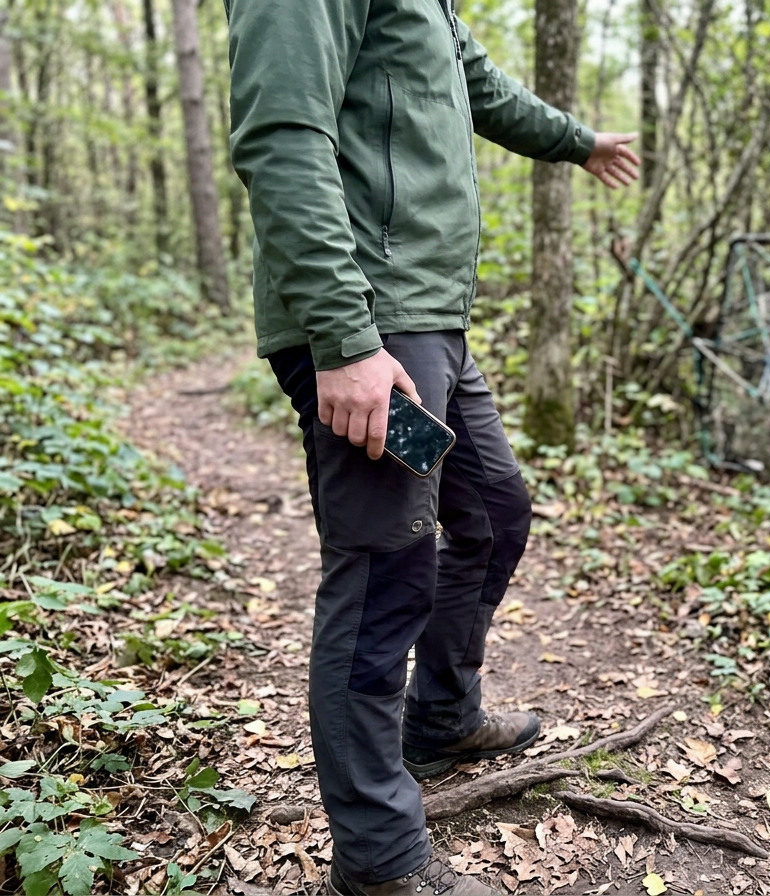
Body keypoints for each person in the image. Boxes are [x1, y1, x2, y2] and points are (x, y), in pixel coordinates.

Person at [225, 0, 640, 893]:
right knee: (383, 576)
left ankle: (442, 718)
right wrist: (344, 339)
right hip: (370, 327)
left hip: (429, 324)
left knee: (492, 515)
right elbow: (281, 138)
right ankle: (379, 858)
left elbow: (482, 89)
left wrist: (579, 141)